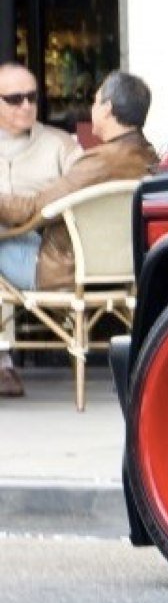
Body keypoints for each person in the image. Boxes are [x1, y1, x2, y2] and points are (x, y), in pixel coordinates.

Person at [0, 71, 158, 396]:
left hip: (60, 268)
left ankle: (3, 363)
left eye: (96, 99)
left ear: (108, 109)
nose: (91, 106)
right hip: (116, 270)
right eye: (15, 99)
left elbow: (34, 209)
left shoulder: (96, 162)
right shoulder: (147, 156)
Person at [0, 63, 81, 396]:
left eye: (32, 97)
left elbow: (83, 198)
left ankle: (3, 365)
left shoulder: (60, 145)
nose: (26, 106)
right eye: (15, 99)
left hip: (43, 249)